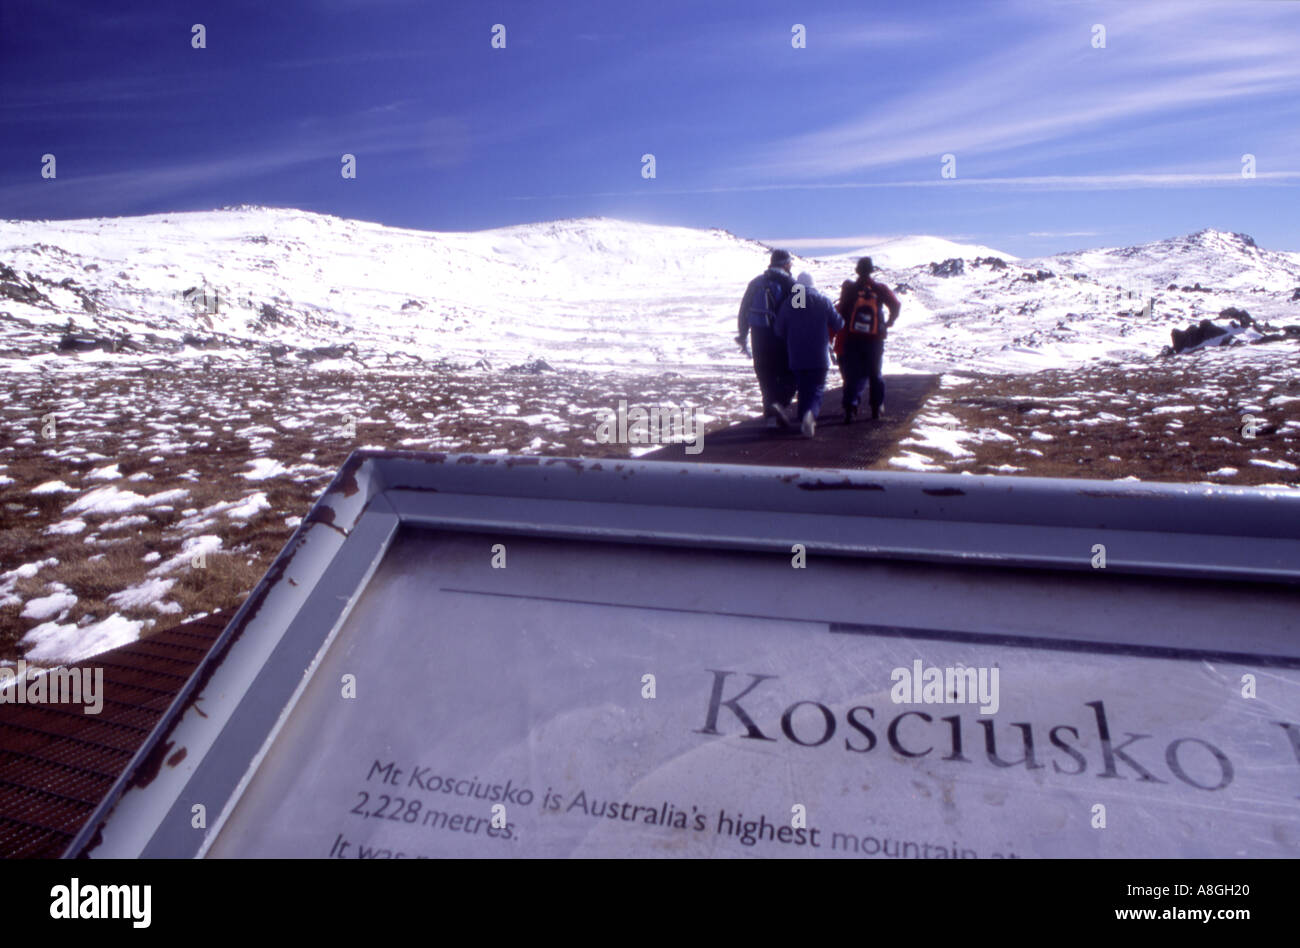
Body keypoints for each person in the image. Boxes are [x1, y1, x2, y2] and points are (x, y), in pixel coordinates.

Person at [774, 271, 843, 438]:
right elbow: (839, 323)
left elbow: (778, 330)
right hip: (819, 355)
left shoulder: (789, 303)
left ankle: (803, 418)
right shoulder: (823, 301)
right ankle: (809, 415)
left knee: (803, 388)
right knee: (817, 388)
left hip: (796, 355)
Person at [834, 256, 900, 423]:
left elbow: (840, 310)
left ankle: (850, 408)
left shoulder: (850, 289)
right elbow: (896, 304)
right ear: (871, 271)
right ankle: (876, 408)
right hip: (874, 338)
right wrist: (888, 322)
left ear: (857, 271)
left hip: (852, 337)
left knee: (852, 374)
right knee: (875, 372)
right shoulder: (879, 289)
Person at [737, 249, 797, 428]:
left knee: (765, 377)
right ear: (786, 264)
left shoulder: (755, 283)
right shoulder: (794, 285)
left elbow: (743, 311)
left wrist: (742, 334)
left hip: (759, 336)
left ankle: (770, 418)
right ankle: (781, 404)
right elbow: (801, 313)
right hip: (781, 338)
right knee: (790, 375)